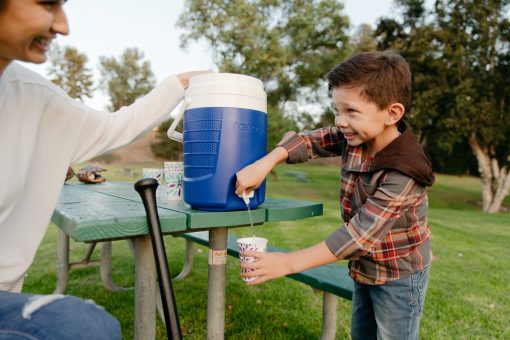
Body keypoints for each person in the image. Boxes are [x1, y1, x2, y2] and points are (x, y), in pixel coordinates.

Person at [0, 0, 209, 338]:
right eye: (47, 4)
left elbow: (118, 126)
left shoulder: (37, 99)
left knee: (88, 326)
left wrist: (179, 83)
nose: (63, 26)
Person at [235, 51, 435, 340]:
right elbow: (309, 140)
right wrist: (264, 164)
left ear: (392, 113)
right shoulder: (356, 135)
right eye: (336, 110)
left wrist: (287, 262)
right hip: (365, 267)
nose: (340, 121)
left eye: (351, 111)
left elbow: (358, 237)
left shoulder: (404, 170)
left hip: (400, 273)